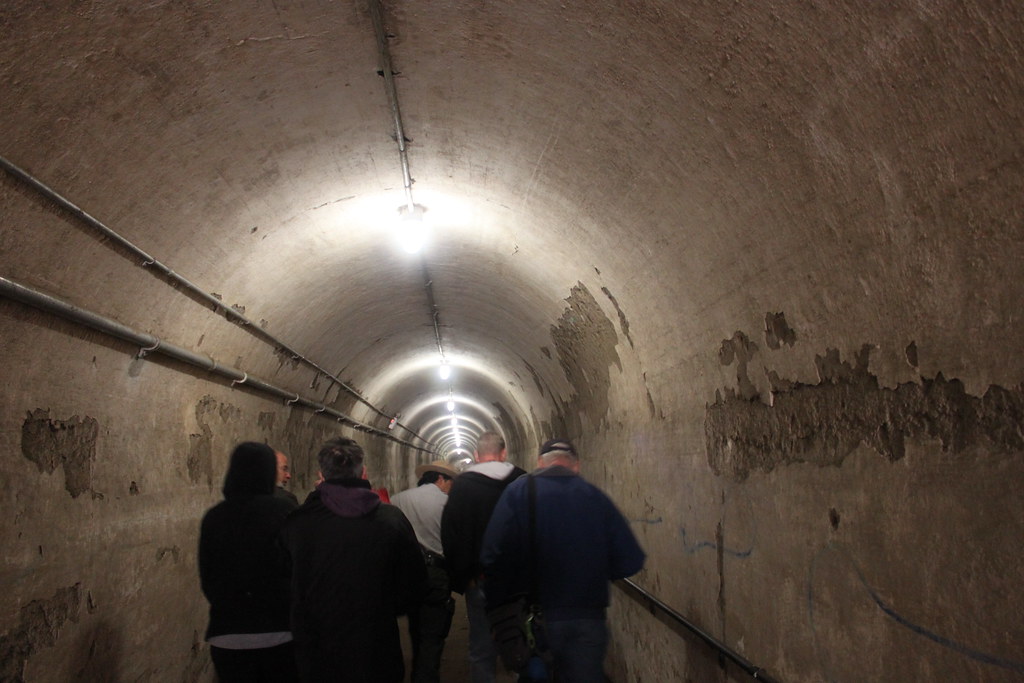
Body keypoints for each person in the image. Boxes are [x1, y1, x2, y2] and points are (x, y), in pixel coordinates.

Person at [481, 439, 646, 682]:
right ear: (576, 465)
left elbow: (491, 554)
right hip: (587, 617)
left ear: (540, 463)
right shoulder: (595, 498)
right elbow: (630, 561)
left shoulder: (518, 493)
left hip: (535, 616)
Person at [279, 436, 427, 682]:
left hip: (317, 651)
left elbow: (285, 582)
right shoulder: (390, 520)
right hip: (375, 647)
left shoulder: (298, 522)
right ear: (363, 472)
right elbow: (414, 585)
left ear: (321, 475)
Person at [198, 441, 298, 682]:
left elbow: (208, 576)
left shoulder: (215, 517)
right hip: (278, 631)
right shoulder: (284, 510)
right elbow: (296, 567)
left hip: (227, 633)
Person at [440, 431, 527, 682]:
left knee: (480, 644)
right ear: (504, 453)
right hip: (518, 580)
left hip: (479, 578)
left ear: (477, 455)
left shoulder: (463, 486)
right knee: (521, 636)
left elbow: (451, 534)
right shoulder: (522, 480)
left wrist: (461, 576)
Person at [390, 459, 460, 682]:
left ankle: (416, 670)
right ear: (440, 479)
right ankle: (425, 676)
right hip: (436, 574)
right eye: (450, 482)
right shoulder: (448, 504)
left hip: (406, 573)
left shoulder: (398, 499)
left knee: (414, 627)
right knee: (432, 635)